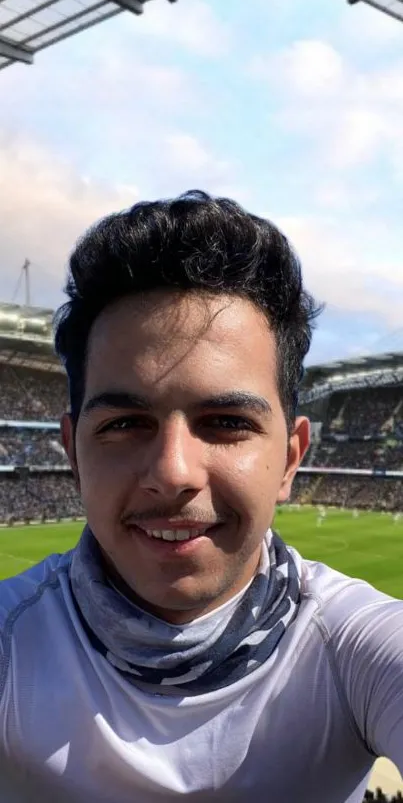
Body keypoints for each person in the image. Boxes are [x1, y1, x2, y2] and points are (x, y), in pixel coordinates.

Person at [0, 190, 402, 803]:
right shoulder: (11, 638)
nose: (173, 471)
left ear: (290, 458)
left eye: (226, 422)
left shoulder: (353, 648)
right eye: (125, 423)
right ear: (72, 453)